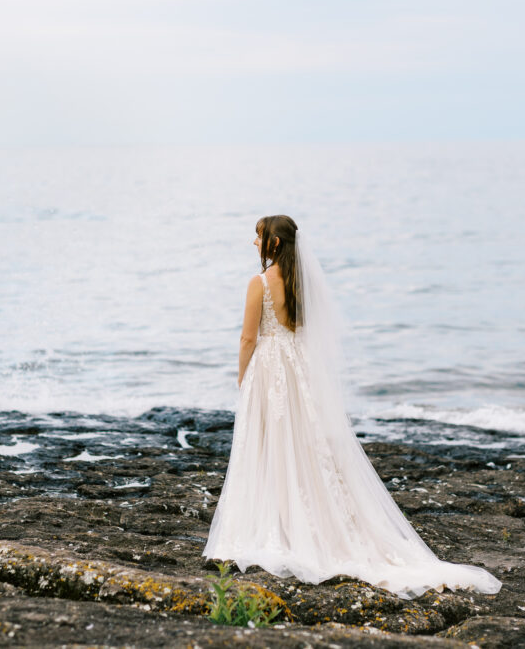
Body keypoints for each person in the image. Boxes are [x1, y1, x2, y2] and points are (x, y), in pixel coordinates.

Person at [201, 215, 502, 599]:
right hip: (298, 372)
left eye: (258, 238)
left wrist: (243, 378)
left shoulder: (259, 283)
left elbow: (248, 338)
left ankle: (279, 527)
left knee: (270, 448)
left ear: (273, 244)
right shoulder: (301, 283)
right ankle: (305, 523)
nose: (253, 244)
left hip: (269, 371)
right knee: (305, 449)